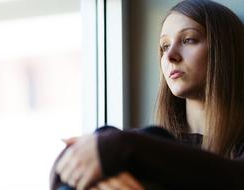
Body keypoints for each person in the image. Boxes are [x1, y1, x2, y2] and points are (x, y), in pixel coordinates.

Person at [51, 0, 244, 189]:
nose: (169, 56)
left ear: (225, 51)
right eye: (165, 46)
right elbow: (61, 174)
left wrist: (118, 146)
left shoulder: (137, 147)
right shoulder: (146, 145)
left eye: (188, 40)